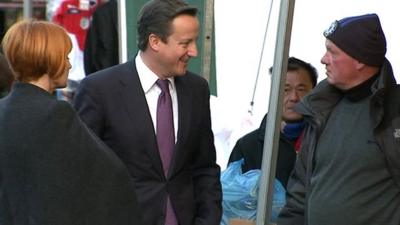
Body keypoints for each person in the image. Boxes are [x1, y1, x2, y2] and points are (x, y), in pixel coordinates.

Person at [73, 1, 222, 225]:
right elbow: (82, 173)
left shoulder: (196, 89)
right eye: (185, 43)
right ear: (155, 42)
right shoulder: (99, 90)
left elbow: (205, 166)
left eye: (195, 41)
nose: (194, 51)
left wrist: (207, 220)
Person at [0, 20, 143, 225]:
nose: (69, 64)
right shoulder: (55, 114)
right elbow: (111, 177)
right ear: (49, 59)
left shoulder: (3, 111)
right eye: (65, 57)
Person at [278, 14, 400, 225]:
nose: (323, 59)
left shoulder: (394, 111)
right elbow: (300, 190)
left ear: (360, 60)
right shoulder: (320, 108)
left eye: (332, 52)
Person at [228, 57, 318, 188]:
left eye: (301, 89)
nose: (294, 97)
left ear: (313, 93)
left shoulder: (325, 140)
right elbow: (234, 200)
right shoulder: (249, 146)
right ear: (273, 93)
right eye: (286, 89)